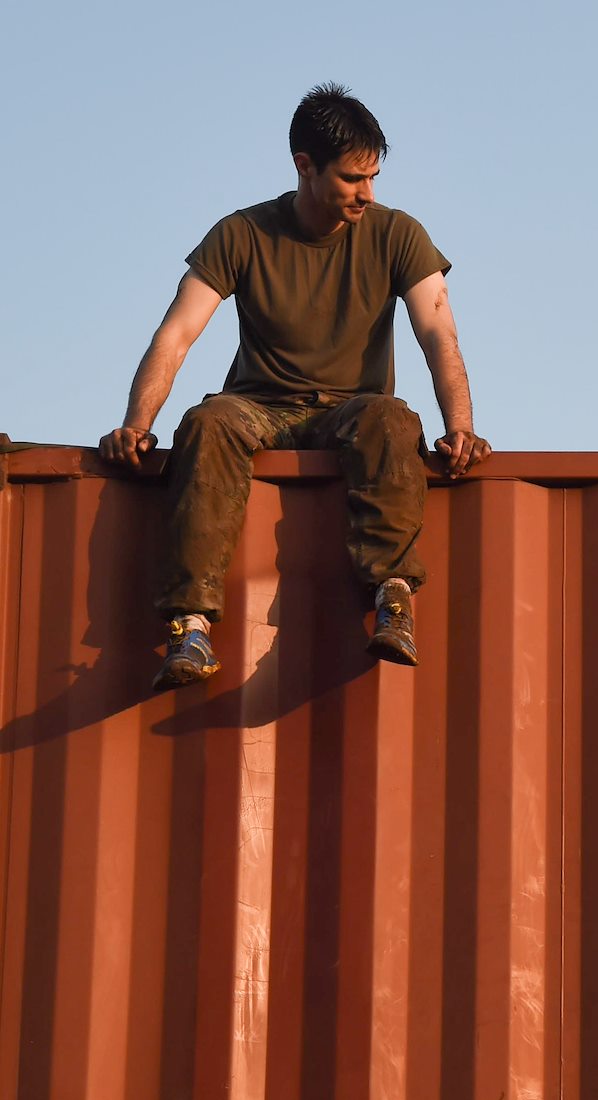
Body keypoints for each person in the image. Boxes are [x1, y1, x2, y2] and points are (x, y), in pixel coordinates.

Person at [99, 83, 490, 689]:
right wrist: (137, 426)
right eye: (353, 178)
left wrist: (459, 428)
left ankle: (392, 599)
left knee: (391, 419)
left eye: (374, 177)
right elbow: (176, 334)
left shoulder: (397, 234)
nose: (368, 193)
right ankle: (191, 627)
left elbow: (439, 333)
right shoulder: (241, 233)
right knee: (207, 423)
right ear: (304, 166)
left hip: (352, 410)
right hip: (261, 406)